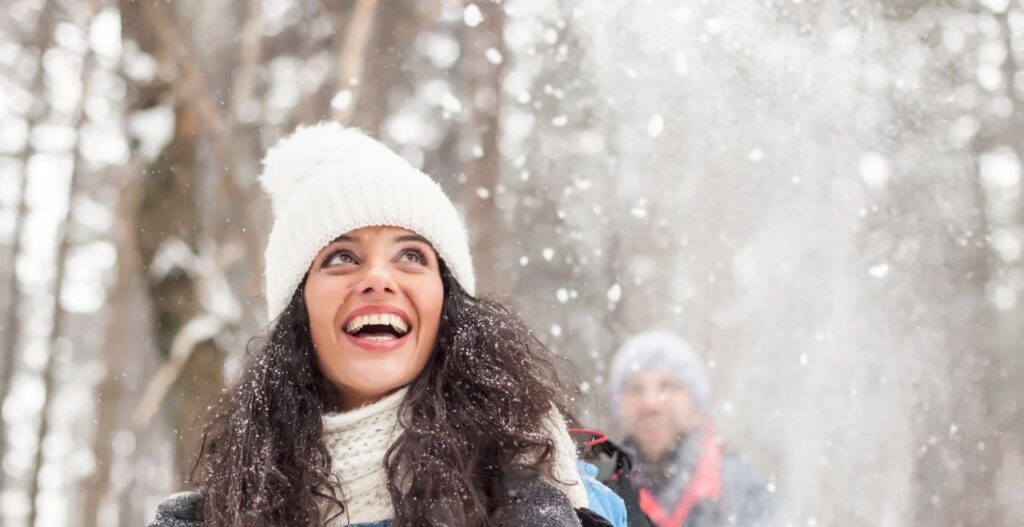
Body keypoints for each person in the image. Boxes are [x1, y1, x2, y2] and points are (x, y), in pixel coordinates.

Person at [148, 123, 625, 526]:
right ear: (299, 309)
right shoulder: (206, 517)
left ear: (448, 304)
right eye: (341, 257)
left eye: (411, 256)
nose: (377, 278)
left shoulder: (554, 501)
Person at [608, 331, 776, 527]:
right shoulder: (596, 487)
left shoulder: (742, 489)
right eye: (635, 389)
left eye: (667, 386)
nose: (650, 403)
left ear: (696, 406)